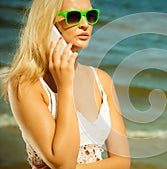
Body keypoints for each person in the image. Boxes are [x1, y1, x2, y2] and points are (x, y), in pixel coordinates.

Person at [1, 0, 130, 168]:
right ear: (47, 24)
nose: (85, 24)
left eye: (90, 16)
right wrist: (65, 87)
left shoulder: (102, 80)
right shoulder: (26, 84)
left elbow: (122, 162)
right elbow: (63, 163)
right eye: (74, 17)